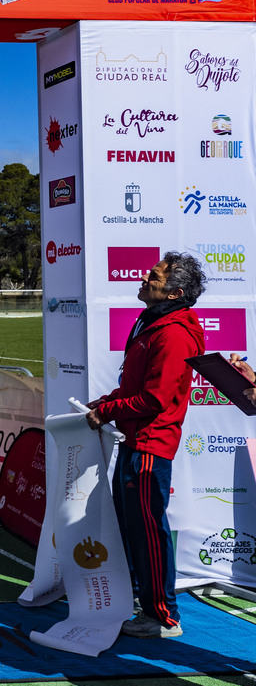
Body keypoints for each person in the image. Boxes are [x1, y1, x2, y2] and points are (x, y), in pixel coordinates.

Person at [85, 251, 206, 639]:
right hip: (135, 442)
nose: (144, 277)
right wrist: (105, 404)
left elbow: (154, 399)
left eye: (154, 275)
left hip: (150, 448)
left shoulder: (172, 333)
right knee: (133, 529)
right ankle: (141, 604)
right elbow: (135, 388)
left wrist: (108, 412)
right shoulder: (152, 324)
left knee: (149, 532)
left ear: (174, 293)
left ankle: (163, 617)